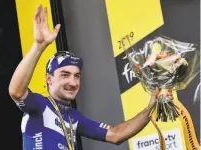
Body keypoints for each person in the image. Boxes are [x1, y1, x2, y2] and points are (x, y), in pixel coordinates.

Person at [9, 4, 173, 150]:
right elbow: (16, 91)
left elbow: (115, 135)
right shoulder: (39, 105)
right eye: (65, 75)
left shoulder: (73, 116)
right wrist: (39, 46)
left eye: (77, 76)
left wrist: (151, 105)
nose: (73, 82)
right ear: (49, 78)